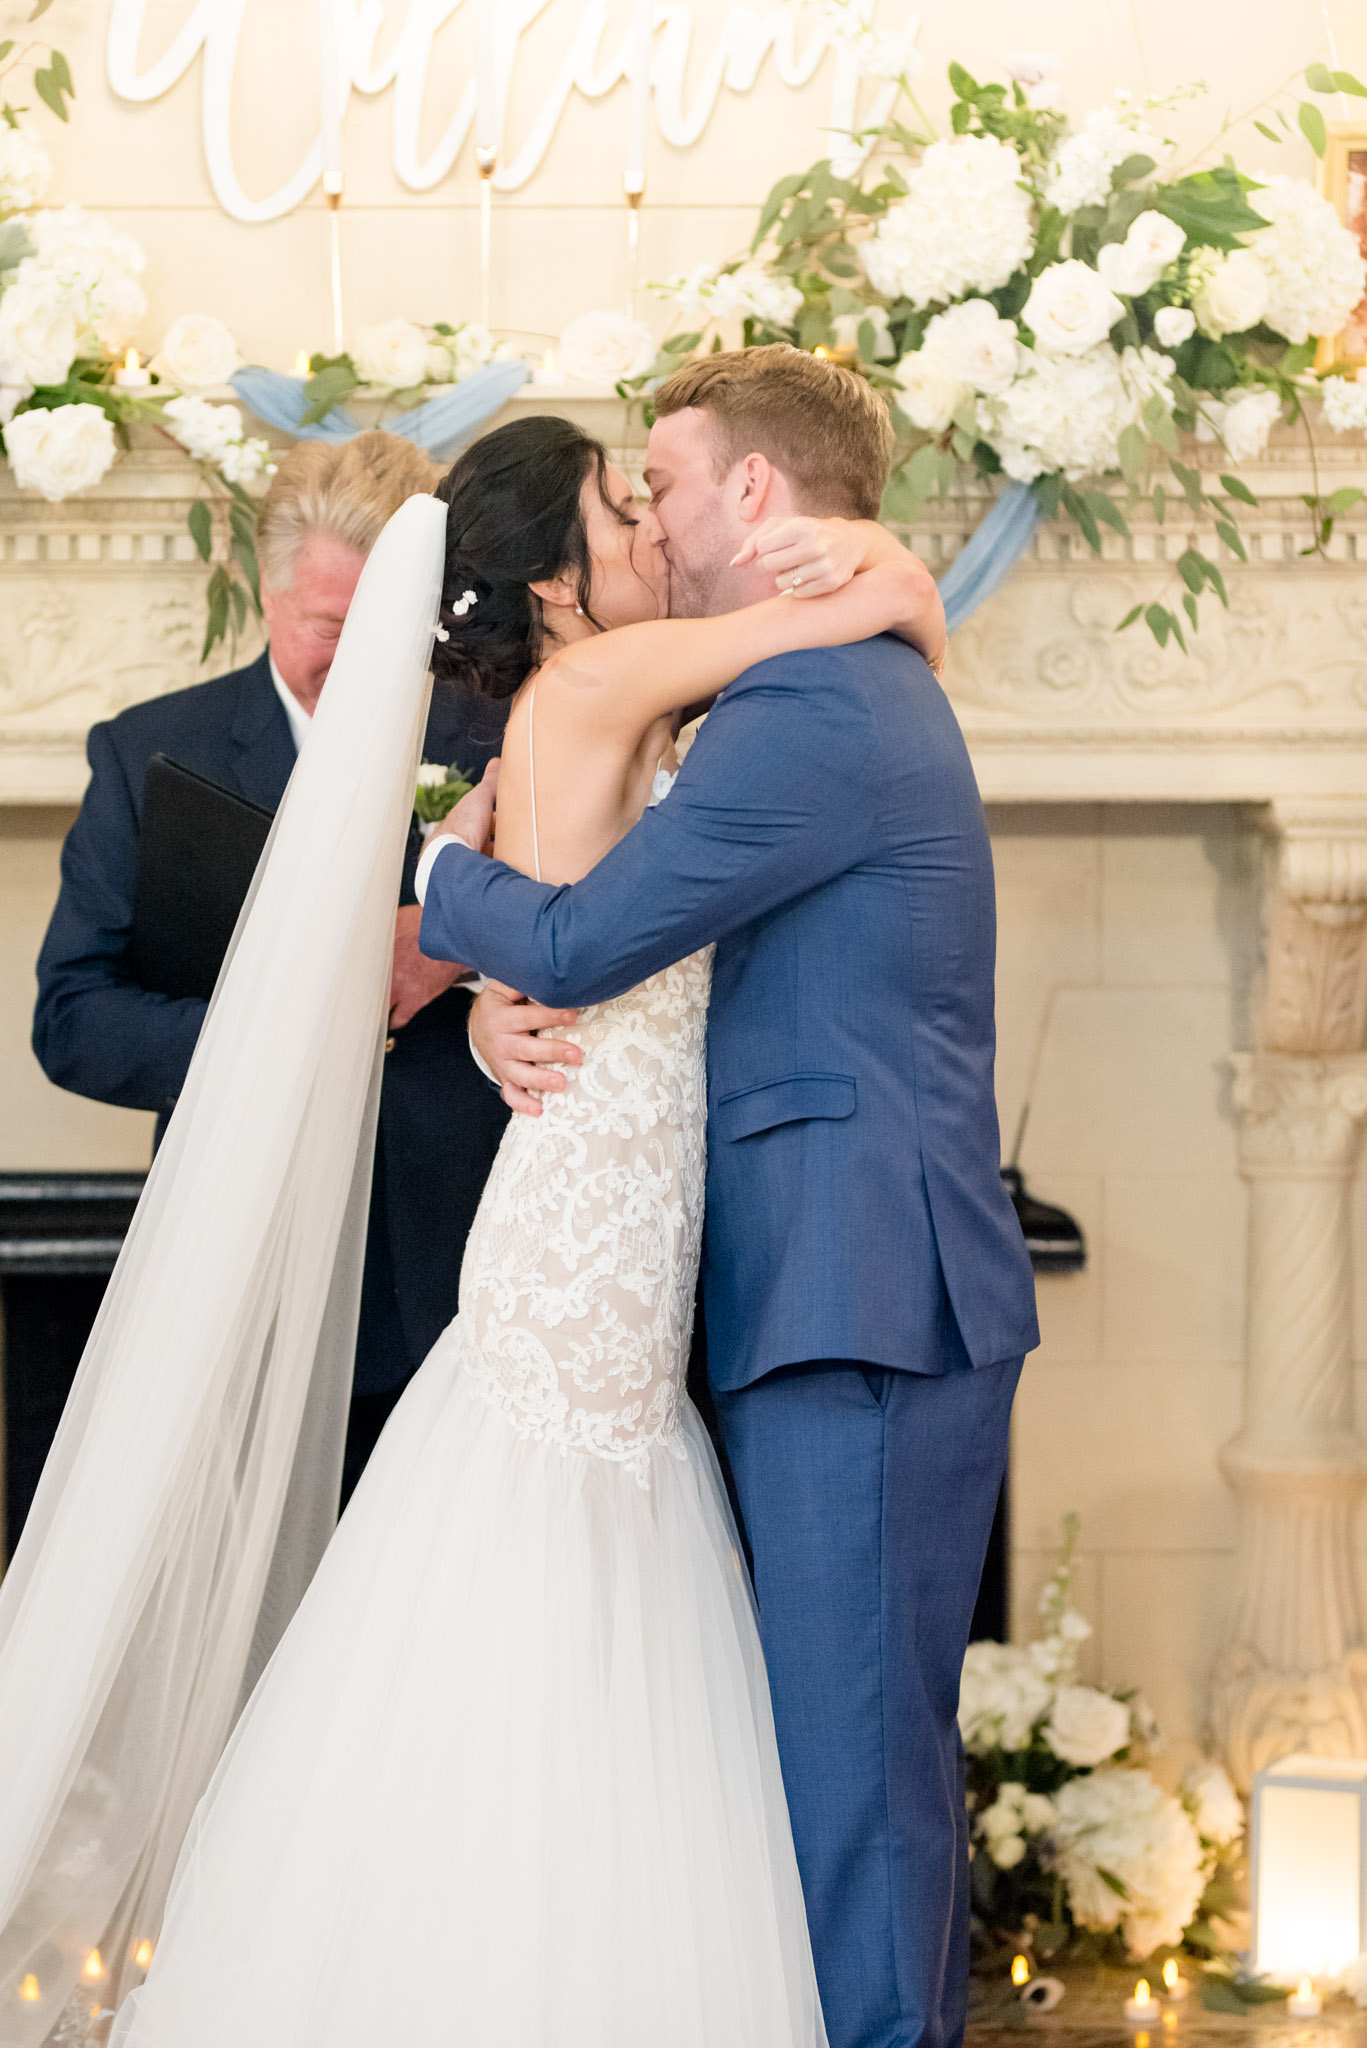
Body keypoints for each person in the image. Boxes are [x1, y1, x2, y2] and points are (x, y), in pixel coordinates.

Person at [82, 410, 947, 2046]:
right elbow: (827, 619)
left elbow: (519, 901)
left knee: (559, 1541)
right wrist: (904, 572)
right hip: (587, 1224)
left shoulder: (559, 713)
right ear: (556, 577)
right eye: (623, 513)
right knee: (562, 1547)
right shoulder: (603, 680)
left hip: (588, 1189)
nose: (647, 531)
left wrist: (488, 992)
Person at [418, 348, 1040, 2048]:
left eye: (669, 484)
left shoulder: (813, 709)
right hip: (814, 1282)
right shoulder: (790, 688)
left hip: (857, 1292)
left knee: (854, 1785)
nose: (661, 519)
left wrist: (434, 882)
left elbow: (573, 937)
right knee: (848, 1766)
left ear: (752, 492)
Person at [31, 430, 509, 1504]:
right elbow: (73, 1016)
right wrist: (286, 1022)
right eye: (326, 627)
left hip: (458, 1258)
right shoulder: (155, 751)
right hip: (237, 1269)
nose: (353, 657)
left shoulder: (501, 736)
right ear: (264, 589)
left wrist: (454, 949)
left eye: (378, 628)